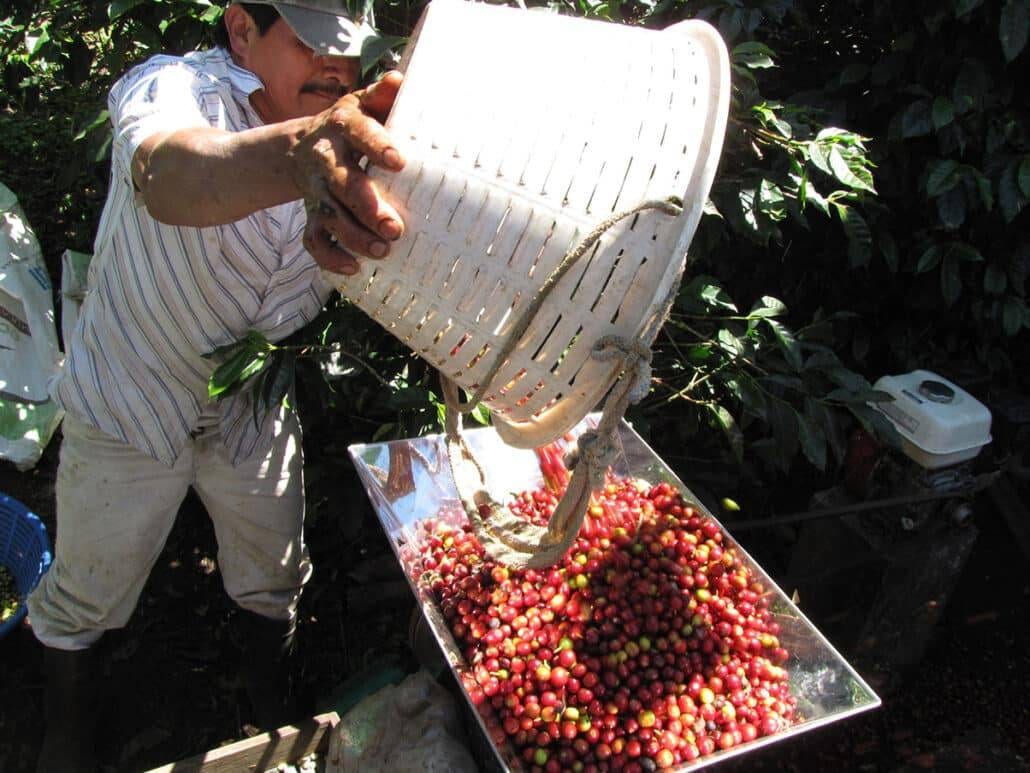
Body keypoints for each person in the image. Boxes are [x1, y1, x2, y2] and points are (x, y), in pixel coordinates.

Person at [26, 2, 407, 769]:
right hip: (130, 399)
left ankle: (270, 709)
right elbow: (168, 172)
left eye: (348, 52)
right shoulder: (173, 89)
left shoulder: (367, 140)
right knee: (85, 592)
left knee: (273, 570)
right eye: (310, 44)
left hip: (248, 407)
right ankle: (60, 730)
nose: (336, 68)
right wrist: (297, 154)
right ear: (241, 31)